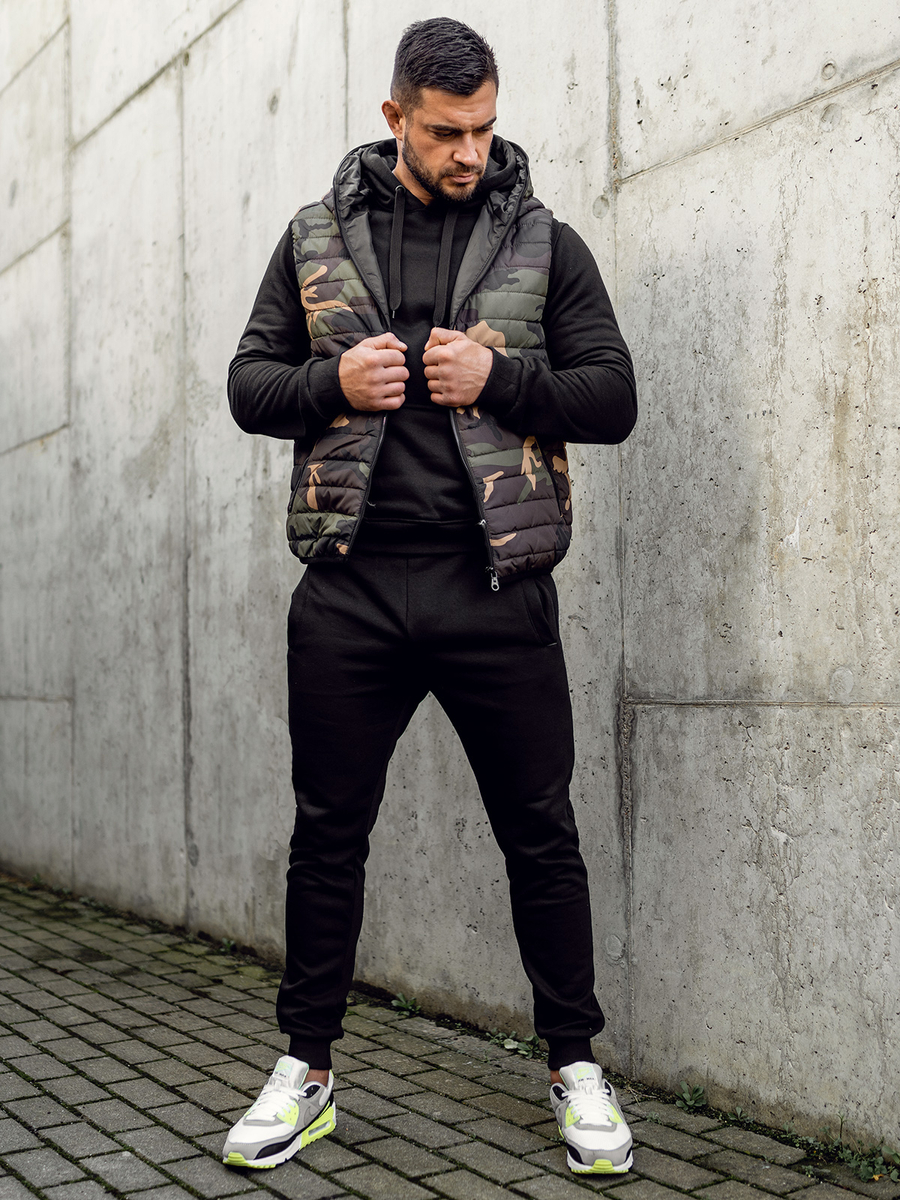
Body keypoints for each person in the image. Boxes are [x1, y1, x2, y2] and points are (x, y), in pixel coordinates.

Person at [221, 17, 637, 1177]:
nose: (471, 152)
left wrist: (502, 376)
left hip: (494, 588)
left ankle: (576, 1066)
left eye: (485, 128)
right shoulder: (312, 239)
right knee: (327, 836)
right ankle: (306, 1071)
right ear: (395, 116)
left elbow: (612, 395)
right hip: (350, 592)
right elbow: (249, 385)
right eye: (449, 132)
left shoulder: (544, 241)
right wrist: (330, 381)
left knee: (541, 835)